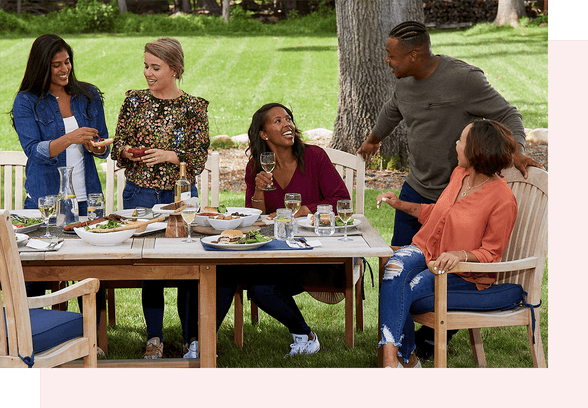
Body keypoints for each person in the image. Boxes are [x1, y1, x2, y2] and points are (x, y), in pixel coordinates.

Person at [357, 21, 543, 356]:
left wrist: (514, 150)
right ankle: (403, 350)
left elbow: (507, 113)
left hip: (457, 196)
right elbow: (392, 111)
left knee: (444, 276)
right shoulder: (405, 83)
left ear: (415, 54)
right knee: (397, 270)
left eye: (392, 55)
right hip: (418, 190)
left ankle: (427, 344)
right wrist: (373, 141)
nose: (387, 60)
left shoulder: (462, 79)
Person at [377, 119, 518, 368]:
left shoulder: (502, 199)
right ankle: (399, 357)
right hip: (428, 250)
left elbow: (492, 254)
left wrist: (461, 255)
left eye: (461, 140)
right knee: (394, 267)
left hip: (461, 274)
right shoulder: (459, 175)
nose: (455, 144)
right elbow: (439, 214)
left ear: (476, 151)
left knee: (403, 286)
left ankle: (397, 360)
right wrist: (400, 204)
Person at [216, 103, 351, 357]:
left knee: (259, 284)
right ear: (264, 134)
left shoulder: (314, 157)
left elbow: (340, 200)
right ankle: (201, 342)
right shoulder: (257, 166)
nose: (287, 124)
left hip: (318, 254)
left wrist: (305, 210)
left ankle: (304, 336)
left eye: (288, 119)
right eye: (277, 121)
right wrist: (257, 189)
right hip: (275, 251)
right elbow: (255, 217)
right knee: (233, 273)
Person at [111, 37, 209, 359]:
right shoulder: (133, 101)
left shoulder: (194, 108)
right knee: (148, 267)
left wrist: (169, 155)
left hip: (180, 197)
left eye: (155, 67)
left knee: (186, 269)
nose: (148, 73)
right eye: (145, 66)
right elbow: (118, 145)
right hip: (140, 193)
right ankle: (154, 338)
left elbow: (197, 159)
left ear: (175, 69)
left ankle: (191, 338)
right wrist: (126, 150)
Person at [10, 34, 110, 324]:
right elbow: (34, 151)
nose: (65, 69)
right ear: (42, 67)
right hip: (48, 200)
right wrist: (71, 138)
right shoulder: (27, 102)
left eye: (67, 62)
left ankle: (94, 336)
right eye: (56, 65)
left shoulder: (87, 95)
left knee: (90, 271)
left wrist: (97, 146)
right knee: (38, 272)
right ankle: (32, 335)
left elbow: (102, 146)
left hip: (87, 198)